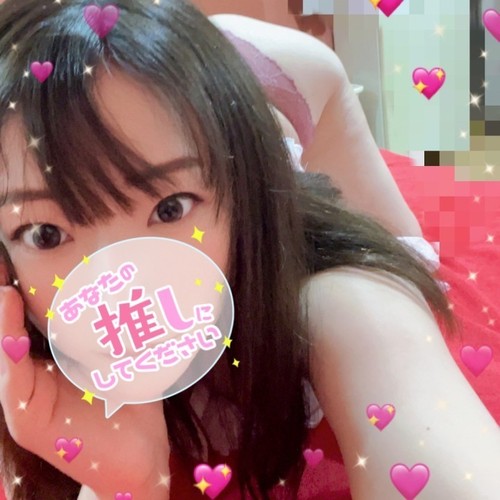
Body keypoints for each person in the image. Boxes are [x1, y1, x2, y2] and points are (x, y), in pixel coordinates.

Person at [0, 1, 500, 499]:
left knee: (393, 265)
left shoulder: (341, 303)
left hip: (288, 81)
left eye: (170, 209)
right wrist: (129, 487)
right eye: (46, 234)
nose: (124, 287)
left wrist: (386, 302)